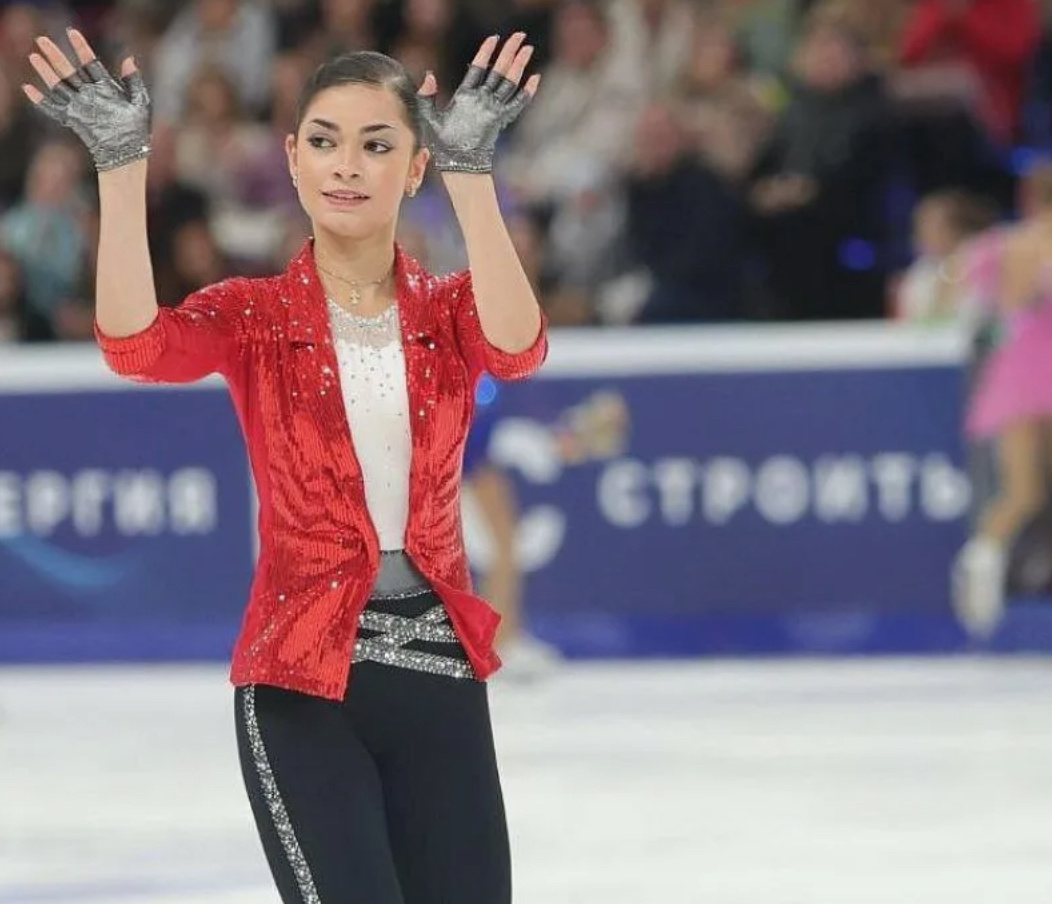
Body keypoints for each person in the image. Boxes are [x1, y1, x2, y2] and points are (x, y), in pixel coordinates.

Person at [24, 26, 546, 904]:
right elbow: (134, 345)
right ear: (294, 160)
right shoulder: (254, 317)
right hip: (301, 685)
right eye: (326, 141)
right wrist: (119, 168)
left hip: (441, 675)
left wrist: (471, 174)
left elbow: (519, 347)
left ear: (415, 167)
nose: (348, 166)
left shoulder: (453, 311)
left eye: (377, 145)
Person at [950, 164, 1052, 639]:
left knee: (1022, 492)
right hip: (1038, 369)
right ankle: (981, 575)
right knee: (1026, 493)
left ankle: (979, 568)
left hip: (1015, 372)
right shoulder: (1035, 244)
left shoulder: (997, 247)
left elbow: (960, 300)